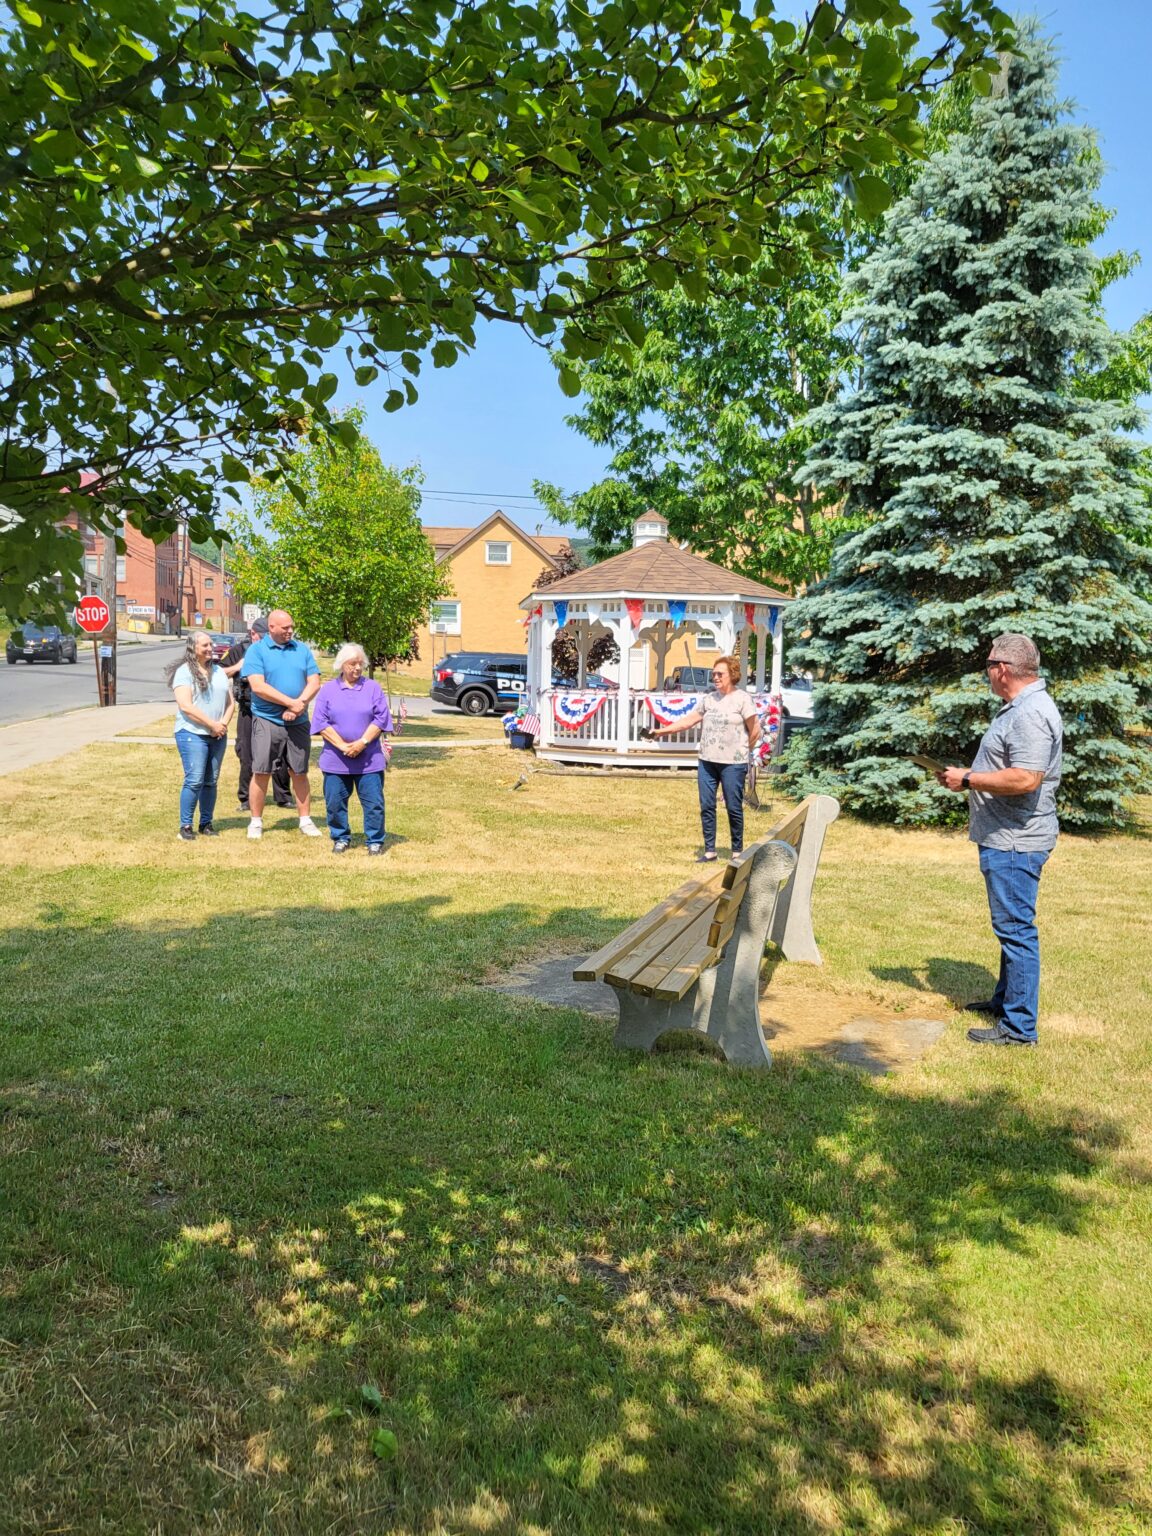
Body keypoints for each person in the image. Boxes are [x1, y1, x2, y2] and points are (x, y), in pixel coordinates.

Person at [936, 633, 1063, 1047]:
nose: (987, 673)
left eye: (989, 665)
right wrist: (964, 778)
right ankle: (1005, 1002)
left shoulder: (1030, 713)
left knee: (1016, 930)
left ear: (1003, 670)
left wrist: (969, 778)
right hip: (1007, 837)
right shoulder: (1020, 707)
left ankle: (1019, 1029)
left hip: (1015, 842)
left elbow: (1026, 778)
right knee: (1010, 926)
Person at [644, 654, 759, 861]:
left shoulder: (743, 699)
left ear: (732, 674)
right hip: (707, 761)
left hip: (733, 763)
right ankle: (710, 851)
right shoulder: (709, 699)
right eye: (714, 674)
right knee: (707, 805)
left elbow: (755, 730)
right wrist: (660, 732)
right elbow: (688, 721)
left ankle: (737, 851)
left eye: (720, 674)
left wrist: (744, 750)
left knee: (733, 807)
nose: (715, 677)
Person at [240, 608, 322, 839]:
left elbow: (314, 682)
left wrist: (299, 705)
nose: (290, 631)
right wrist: (290, 703)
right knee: (261, 771)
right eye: (285, 627)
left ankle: (305, 820)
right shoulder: (257, 650)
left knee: (299, 771)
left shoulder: (301, 649)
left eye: (291, 626)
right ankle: (256, 822)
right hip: (267, 720)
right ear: (271, 627)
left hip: (298, 721)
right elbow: (258, 687)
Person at [310, 644, 394, 854]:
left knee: (374, 803)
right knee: (334, 803)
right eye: (352, 663)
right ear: (342, 664)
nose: (357, 668)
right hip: (335, 759)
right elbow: (320, 721)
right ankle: (340, 837)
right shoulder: (328, 690)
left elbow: (381, 718)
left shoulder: (372, 688)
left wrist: (362, 743)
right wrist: (342, 745)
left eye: (360, 663)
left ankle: (375, 840)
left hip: (369, 760)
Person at [166, 630, 235, 841]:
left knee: (211, 781)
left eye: (211, 644)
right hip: (192, 733)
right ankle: (185, 826)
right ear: (193, 648)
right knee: (195, 780)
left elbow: (230, 703)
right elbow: (186, 706)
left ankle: (206, 823)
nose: (210, 648)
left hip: (217, 734)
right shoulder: (184, 672)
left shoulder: (219, 672)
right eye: (205, 645)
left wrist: (222, 724)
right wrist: (211, 724)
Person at [220, 617, 293, 813]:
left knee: (280, 752)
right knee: (246, 753)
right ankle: (246, 798)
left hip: (273, 709)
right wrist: (238, 667)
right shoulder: (239, 650)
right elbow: (217, 673)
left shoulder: (277, 650)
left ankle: (283, 796)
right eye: (261, 636)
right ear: (253, 634)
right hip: (248, 709)